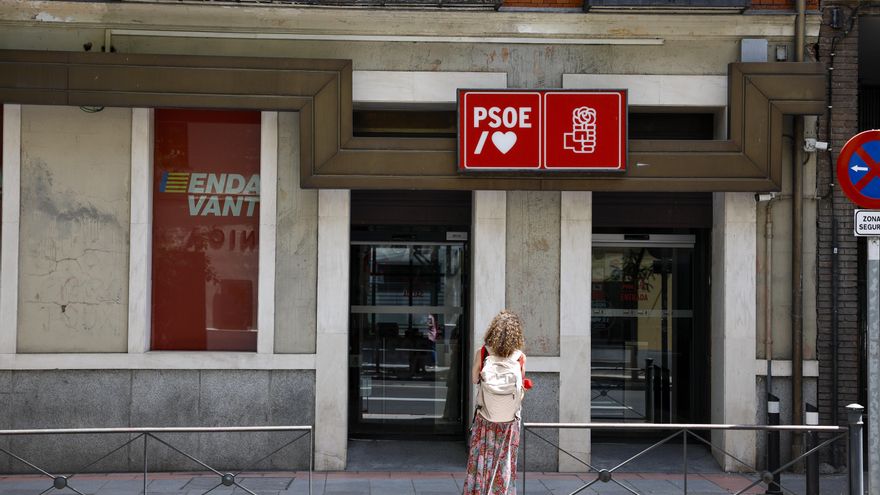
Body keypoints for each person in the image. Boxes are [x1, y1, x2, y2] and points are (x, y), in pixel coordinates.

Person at [462, 309, 532, 495]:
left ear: (493, 330)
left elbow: (474, 379)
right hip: (509, 421)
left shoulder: (483, 352)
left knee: (482, 459)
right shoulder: (520, 357)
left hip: (485, 416)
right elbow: (520, 391)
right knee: (505, 460)